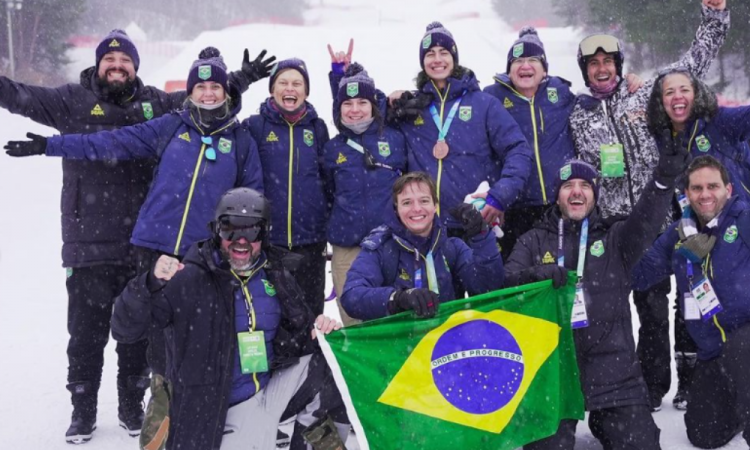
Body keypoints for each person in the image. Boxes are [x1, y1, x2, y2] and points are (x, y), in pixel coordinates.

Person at [0, 27, 274, 443]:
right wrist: (49, 147)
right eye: (199, 88)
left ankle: (170, 409)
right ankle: (117, 414)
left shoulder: (226, 134)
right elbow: (107, 141)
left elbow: (249, 194)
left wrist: (244, 245)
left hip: (197, 256)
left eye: (214, 87)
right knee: (119, 335)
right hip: (136, 248)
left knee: (179, 339)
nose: (207, 94)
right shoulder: (163, 124)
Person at [568, 0, 730, 411]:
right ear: (585, 70)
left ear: (619, 65)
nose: (602, 68)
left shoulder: (645, 94)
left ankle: (692, 380)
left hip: (672, 217)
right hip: (622, 229)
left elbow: (692, 65)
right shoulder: (577, 115)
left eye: (608, 61)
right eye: (593, 63)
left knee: (693, 297)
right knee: (649, 307)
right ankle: (651, 386)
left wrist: (713, 16)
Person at [110, 187, 349, 450]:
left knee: (333, 362)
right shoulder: (190, 279)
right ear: (216, 230)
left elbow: (302, 333)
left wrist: (320, 331)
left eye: (252, 230)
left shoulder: (274, 274)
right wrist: (147, 283)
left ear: (264, 234)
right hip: (214, 410)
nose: (241, 240)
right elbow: (125, 329)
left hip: (266, 394)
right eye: (230, 229)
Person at [504, 135, 689, 449]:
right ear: (557, 195)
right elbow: (507, 285)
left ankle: (604, 418)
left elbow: (647, 219)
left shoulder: (617, 238)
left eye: (585, 185)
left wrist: (663, 179)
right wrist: (538, 276)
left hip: (615, 374)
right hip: (553, 374)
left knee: (640, 445)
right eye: (568, 185)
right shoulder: (533, 240)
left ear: (594, 195)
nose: (577, 191)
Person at [483, 27, 643, 259]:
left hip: (559, 204)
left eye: (532, 60)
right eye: (517, 61)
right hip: (516, 206)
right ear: (509, 70)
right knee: (520, 274)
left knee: (563, 270)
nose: (525, 66)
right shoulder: (493, 98)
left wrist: (628, 80)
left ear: (544, 69)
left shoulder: (560, 92)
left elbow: (600, 96)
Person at [633, 155, 750, 449]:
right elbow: (641, 274)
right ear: (687, 194)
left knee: (741, 349)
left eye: (713, 186)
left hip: (746, 339)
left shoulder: (743, 220)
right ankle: (739, 408)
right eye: (697, 188)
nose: (705, 194)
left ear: (729, 190)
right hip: (712, 351)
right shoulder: (679, 233)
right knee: (703, 434)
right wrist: (617, 246)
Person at [389, 21, 532, 242]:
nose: (437, 59)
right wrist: (387, 100)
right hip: (426, 228)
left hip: (475, 223)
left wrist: (500, 196)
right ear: (422, 62)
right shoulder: (413, 107)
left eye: (443, 52)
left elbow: (518, 150)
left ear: (454, 58)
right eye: (430, 54)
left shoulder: (484, 104)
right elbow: (360, 113)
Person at [341, 172, 504, 321]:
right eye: (406, 203)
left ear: (435, 206)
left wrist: (481, 235)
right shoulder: (380, 248)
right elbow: (352, 296)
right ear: (396, 209)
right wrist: (397, 299)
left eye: (424, 200)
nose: (417, 208)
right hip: (400, 344)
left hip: (447, 342)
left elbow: (488, 289)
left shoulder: (451, 247)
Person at [322, 55, 407, 326]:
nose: (355, 110)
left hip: (390, 245)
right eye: (347, 103)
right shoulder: (332, 148)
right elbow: (327, 194)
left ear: (374, 106)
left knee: (392, 320)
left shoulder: (394, 138)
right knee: (354, 320)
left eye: (362, 103)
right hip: (347, 249)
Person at [243, 58, 331, 318]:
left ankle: (308, 358)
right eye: (283, 82)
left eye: (297, 83)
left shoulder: (316, 128)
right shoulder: (256, 125)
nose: (289, 88)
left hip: (310, 243)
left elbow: (327, 179)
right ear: (272, 89)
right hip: (269, 242)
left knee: (309, 314)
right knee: (269, 313)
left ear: (306, 91)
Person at [647, 67, 750, 204]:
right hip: (689, 223)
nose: (677, 96)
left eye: (684, 90)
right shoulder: (657, 138)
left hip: (738, 220)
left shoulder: (719, 121)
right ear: (661, 102)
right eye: (669, 92)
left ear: (696, 95)